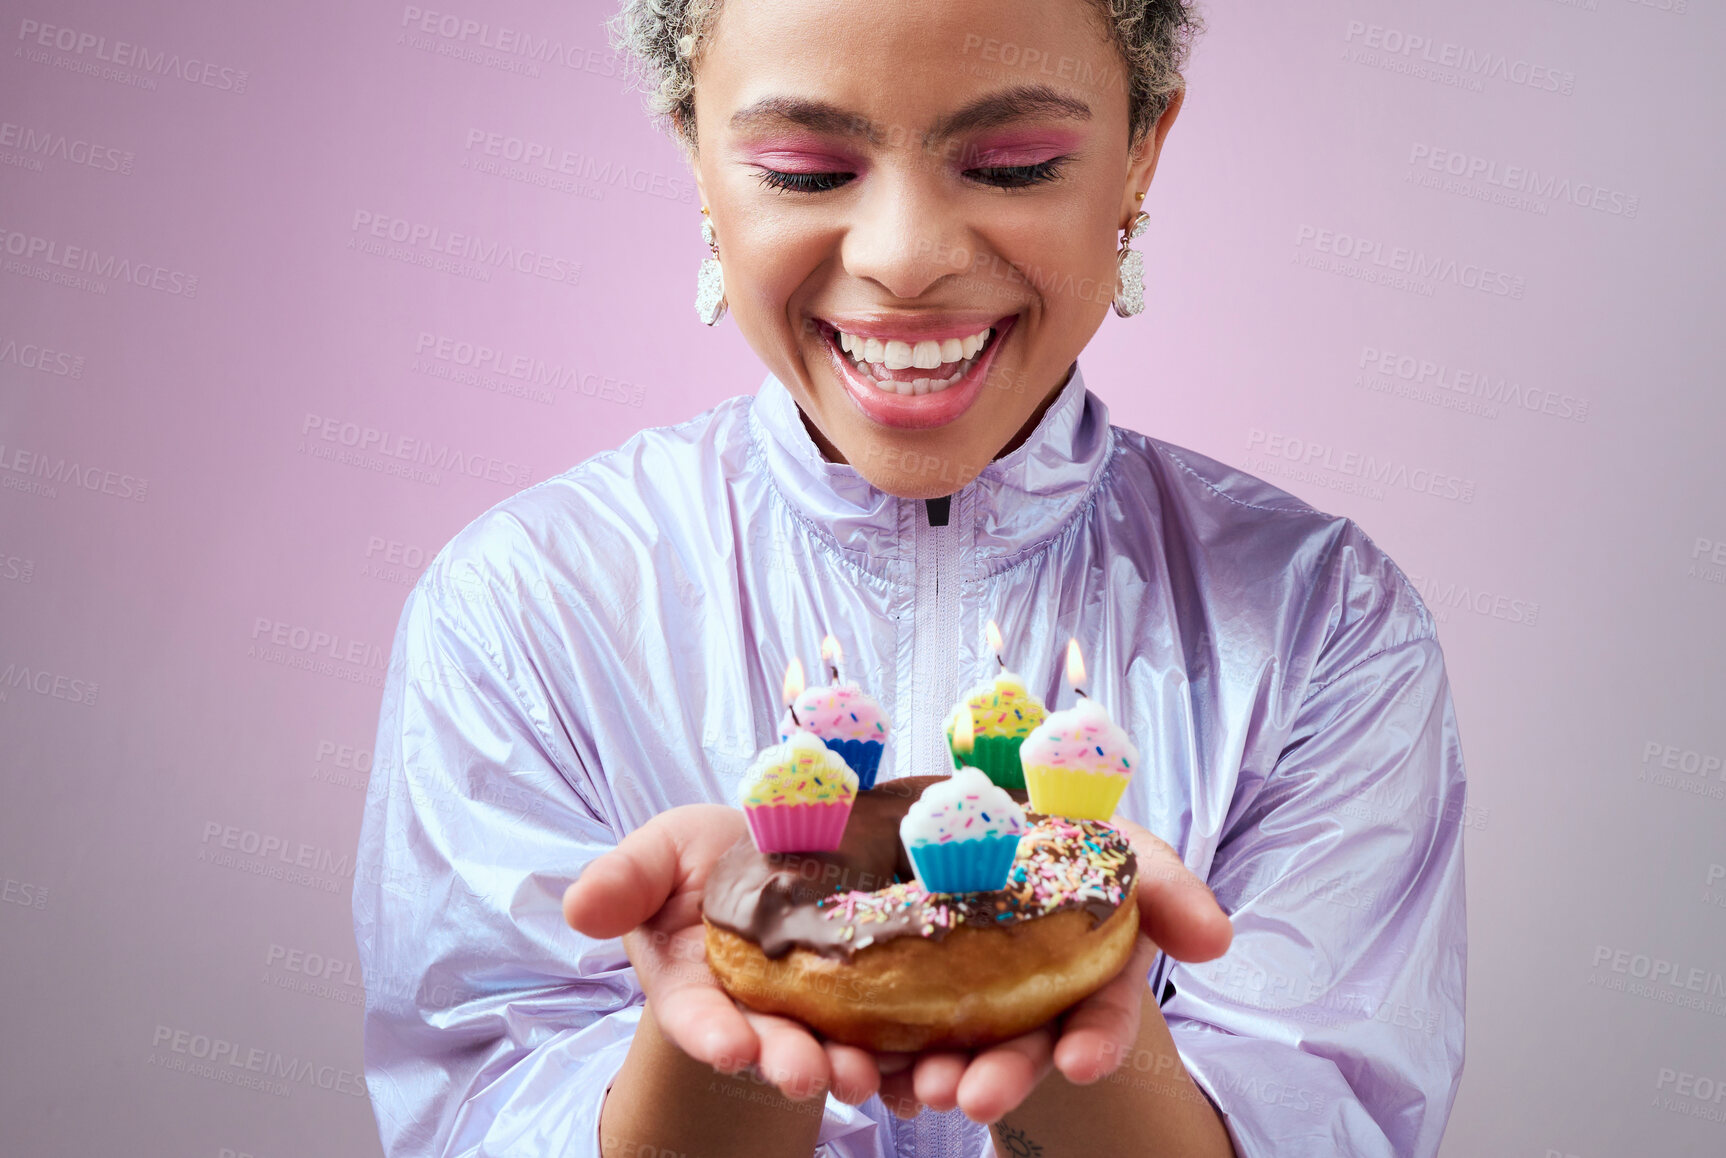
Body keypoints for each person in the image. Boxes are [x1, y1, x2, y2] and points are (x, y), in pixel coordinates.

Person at [351, 1, 1468, 1155]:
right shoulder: (522, 608)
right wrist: (729, 1039)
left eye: (1015, 163)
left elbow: (1332, 1121)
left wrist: (1064, 1006)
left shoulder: (1322, 623)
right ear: (696, 154)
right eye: (802, 169)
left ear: (1140, 154)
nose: (903, 256)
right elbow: (476, 1113)